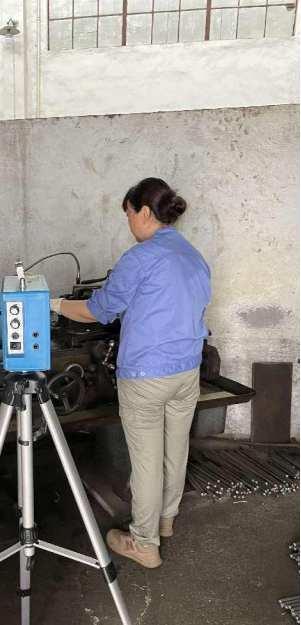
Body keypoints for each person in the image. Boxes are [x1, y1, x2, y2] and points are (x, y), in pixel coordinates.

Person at [50, 178, 211, 569]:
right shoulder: (193, 255)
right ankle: (165, 521)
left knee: (146, 462)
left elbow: (97, 311)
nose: (128, 223)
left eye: (128, 214)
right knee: (175, 451)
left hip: (146, 376)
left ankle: (144, 543)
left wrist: (52, 304)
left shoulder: (140, 257)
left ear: (144, 212)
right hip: (187, 371)